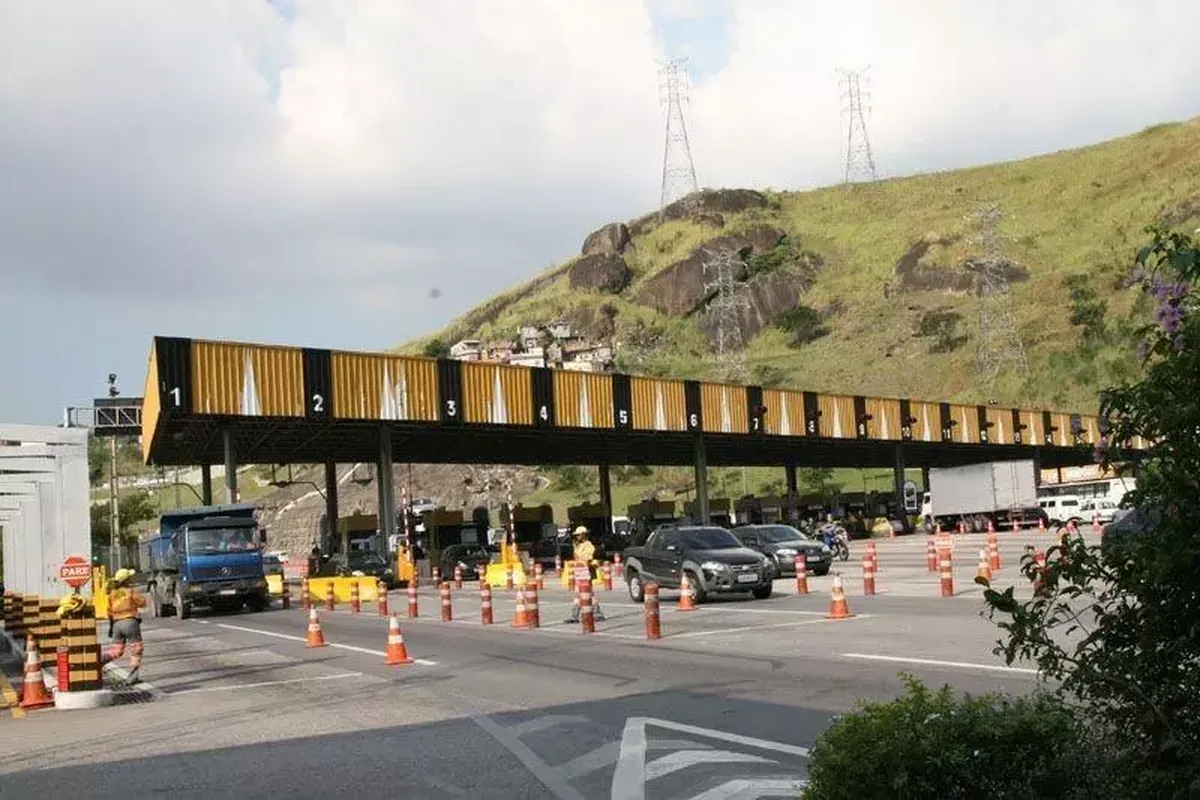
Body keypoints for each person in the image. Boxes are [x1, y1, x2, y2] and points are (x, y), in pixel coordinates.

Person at [103, 567, 147, 684]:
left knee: (117, 650)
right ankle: (133, 677)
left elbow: (109, 612)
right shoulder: (130, 591)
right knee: (136, 649)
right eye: (130, 578)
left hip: (117, 625)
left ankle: (99, 662)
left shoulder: (112, 594)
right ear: (126, 580)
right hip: (130, 623)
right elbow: (143, 602)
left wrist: (111, 627)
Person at [564, 525, 606, 624]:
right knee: (583, 592)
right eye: (577, 535)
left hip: (586, 572)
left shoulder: (588, 545)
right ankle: (594, 613)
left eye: (579, 535)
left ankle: (580, 614)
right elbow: (577, 558)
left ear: (583, 535)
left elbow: (588, 558)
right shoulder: (578, 546)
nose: (577, 537)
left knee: (585, 592)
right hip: (580, 572)